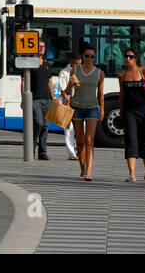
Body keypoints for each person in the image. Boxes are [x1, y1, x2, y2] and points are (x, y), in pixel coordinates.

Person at [62, 47, 104, 181]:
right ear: (83, 56)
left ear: (95, 58)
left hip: (92, 108)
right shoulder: (75, 70)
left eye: (92, 56)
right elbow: (67, 92)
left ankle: (89, 171)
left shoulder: (99, 73)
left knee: (89, 140)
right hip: (77, 107)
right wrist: (71, 84)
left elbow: (101, 94)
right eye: (87, 56)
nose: (89, 59)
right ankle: (82, 169)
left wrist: (102, 109)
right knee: (80, 141)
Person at [118, 49, 145, 182]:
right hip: (129, 111)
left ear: (136, 58)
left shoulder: (144, 72)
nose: (127, 59)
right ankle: (132, 174)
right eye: (126, 56)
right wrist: (121, 111)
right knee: (131, 140)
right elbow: (121, 94)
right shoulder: (122, 75)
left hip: (143, 111)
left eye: (130, 57)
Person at [31, 40, 53, 160]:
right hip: (34, 99)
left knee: (45, 126)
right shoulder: (30, 63)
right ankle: (32, 145)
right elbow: (24, 82)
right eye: (39, 46)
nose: (41, 48)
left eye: (43, 46)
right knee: (38, 122)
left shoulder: (47, 64)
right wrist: (23, 98)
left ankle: (42, 152)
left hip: (47, 99)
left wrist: (53, 98)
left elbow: (50, 82)